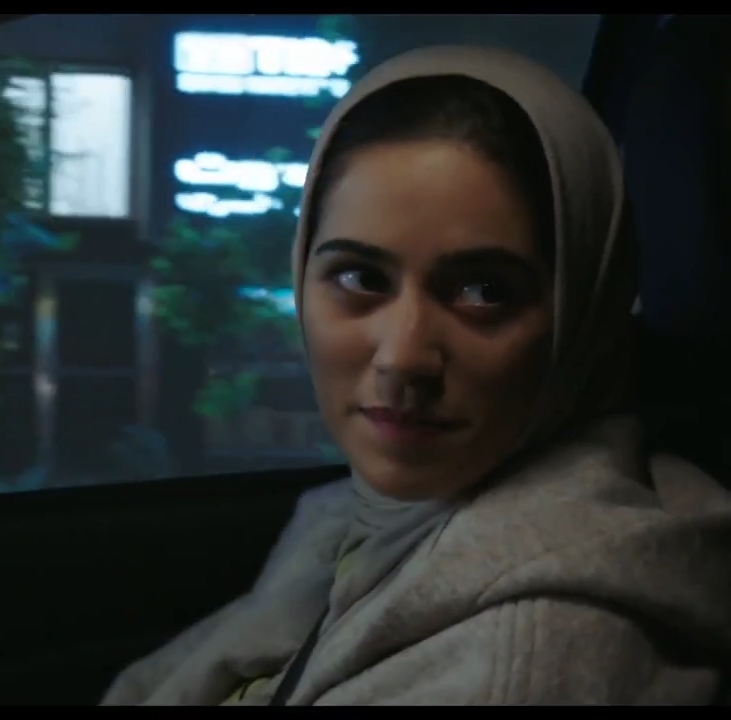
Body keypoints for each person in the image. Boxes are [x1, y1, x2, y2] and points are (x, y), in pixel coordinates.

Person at [101, 45, 731, 705]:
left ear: (583, 315)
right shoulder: (357, 521)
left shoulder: (527, 661)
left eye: (484, 292)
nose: (403, 357)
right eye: (360, 277)